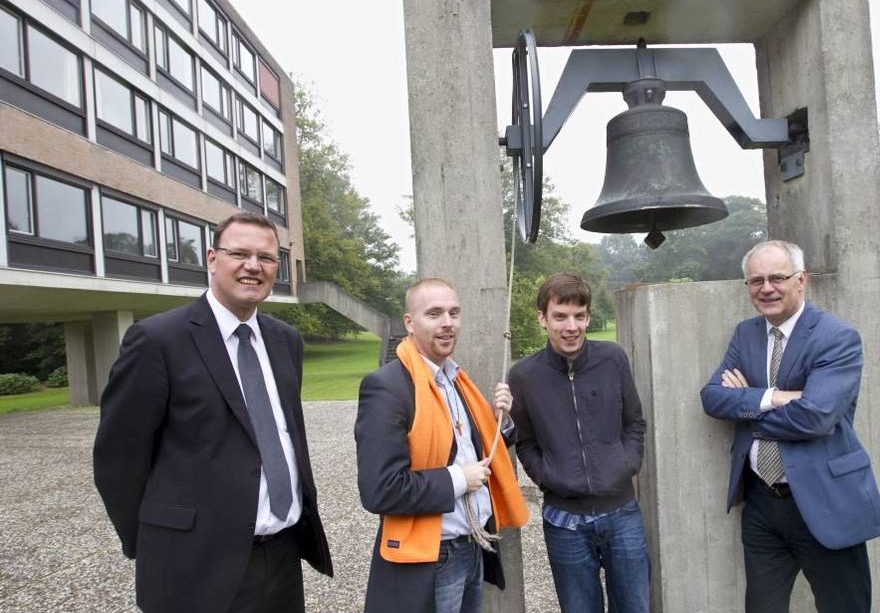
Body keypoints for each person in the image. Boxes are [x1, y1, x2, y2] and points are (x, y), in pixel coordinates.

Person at [93, 213, 333, 613]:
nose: (253, 266)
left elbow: (281, 434)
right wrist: (158, 540)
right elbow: (117, 460)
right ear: (211, 258)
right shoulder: (156, 341)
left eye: (266, 258)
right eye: (239, 253)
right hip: (194, 566)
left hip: (282, 556)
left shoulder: (285, 341)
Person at [700, 240, 880, 613]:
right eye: (756, 281)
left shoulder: (835, 336)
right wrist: (775, 397)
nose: (766, 288)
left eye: (777, 278)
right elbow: (712, 398)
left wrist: (748, 405)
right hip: (761, 505)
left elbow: (815, 417)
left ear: (801, 280)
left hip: (825, 501)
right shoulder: (746, 333)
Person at [355, 278, 528, 613]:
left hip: (472, 549)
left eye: (454, 313)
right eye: (434, 314)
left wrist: (501, 423)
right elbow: (379, 490)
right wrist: (459, 479)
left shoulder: (454, 379)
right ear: (409, 322)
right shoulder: (386, 387)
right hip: (431, 556)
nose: (447, 323)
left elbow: (472, 451)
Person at [508, 273, 650, 612]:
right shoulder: (523, 376)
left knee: (635, 608)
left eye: (579, 316)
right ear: (543, 318)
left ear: (588, 316)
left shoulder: (613, 359)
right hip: (564, 520)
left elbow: (634, 422)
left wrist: (624, 464)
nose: (571, 326)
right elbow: (525, 443)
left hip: (622, 513)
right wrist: (549, 477)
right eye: (560, 316)